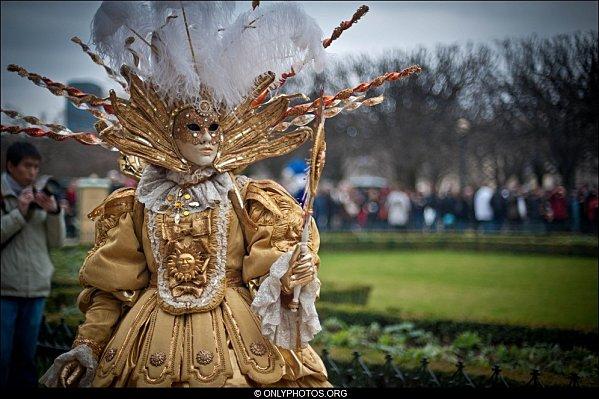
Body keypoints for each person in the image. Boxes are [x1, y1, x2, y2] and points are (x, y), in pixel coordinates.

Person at [0, 1, 421, 389]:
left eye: (213, 128)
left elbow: (274, 268)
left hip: (238, 339)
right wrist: (88, 345)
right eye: (193, 128)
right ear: (169, 132)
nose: (205, 138)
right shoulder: (140, 203)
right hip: (147, 338)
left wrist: (291, 275)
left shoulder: (247, 198)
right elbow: (112, 287)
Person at [1, 141, 66, 387]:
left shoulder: (39, 196)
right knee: (3, 357)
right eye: (27, 166)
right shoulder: (3, 195)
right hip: (4, 288)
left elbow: (57, 242)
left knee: (26, 359)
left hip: (36, 287)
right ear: (11, 165)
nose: (32, 173)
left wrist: (53, 213)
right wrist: (19, 212)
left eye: (36, 167)